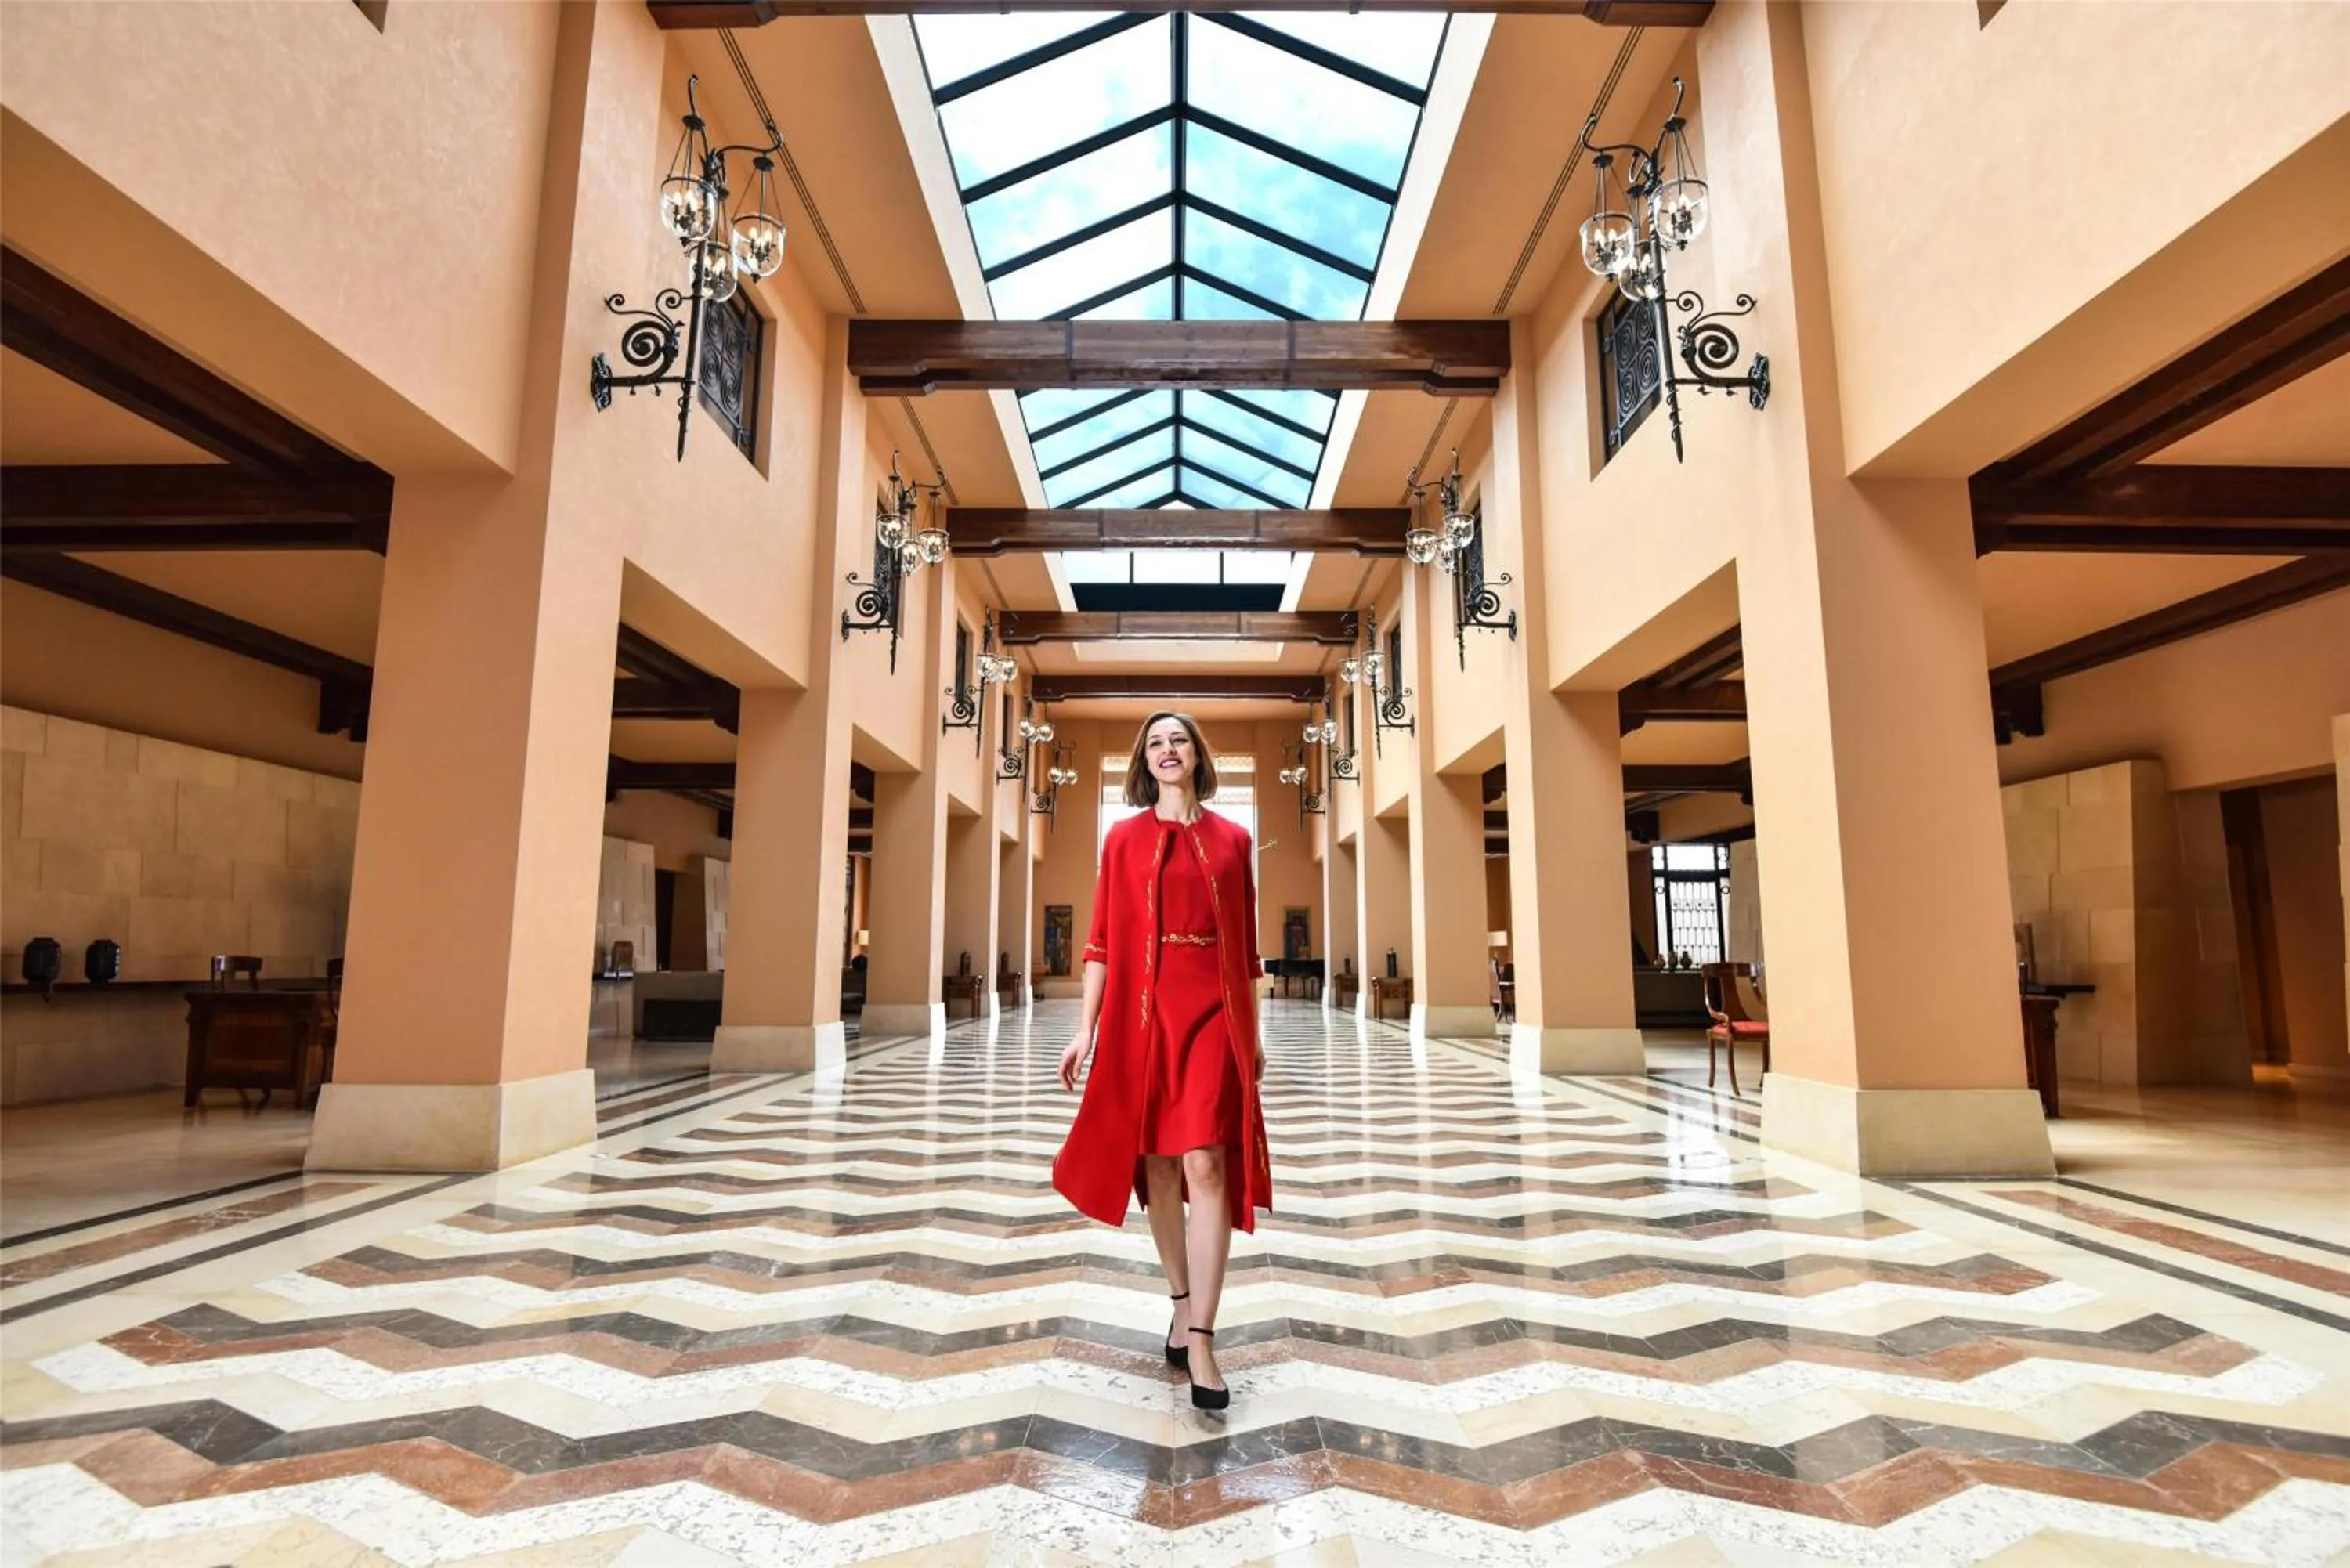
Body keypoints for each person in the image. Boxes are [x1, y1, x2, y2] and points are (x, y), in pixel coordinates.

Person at [1053, 712, 1271, 1410]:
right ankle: (1180, 1302)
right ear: (1145, 763)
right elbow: (1100, 945)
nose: (1167, 750)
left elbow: (1249, 952)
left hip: (1213, 1012)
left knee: (1206, 1160)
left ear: (1197, 755)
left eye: (1178, 740)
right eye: (1155, 743)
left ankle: (1202, 1336)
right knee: (1159, 1167)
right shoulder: (1122, 840)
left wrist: (1253, 1037)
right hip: (1140, 1018)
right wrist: (1085, 1031)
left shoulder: (1235, 840)